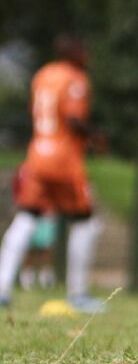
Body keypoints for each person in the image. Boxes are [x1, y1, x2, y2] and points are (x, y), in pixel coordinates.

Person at [0, 35, 106, 313]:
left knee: (27, 215)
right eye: (85, 50)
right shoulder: (75, 78)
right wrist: (95, 136)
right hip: (63, 159)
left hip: (37, 153)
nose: (89, 56)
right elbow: (73, 119)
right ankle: (78, 293)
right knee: (85, 220)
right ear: (75, 52)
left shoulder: (43, 74)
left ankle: (2, 287)